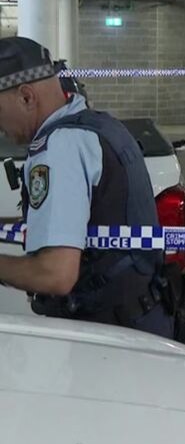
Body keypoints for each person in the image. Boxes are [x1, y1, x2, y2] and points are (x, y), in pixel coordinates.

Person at [0, 36, 175, 338]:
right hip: (142, 316)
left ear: (27, 97)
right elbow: (86, 218)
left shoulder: (60, 148)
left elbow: (55, 274)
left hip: (112, 339)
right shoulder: (100, 125)